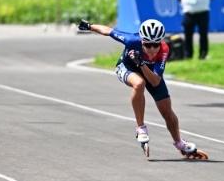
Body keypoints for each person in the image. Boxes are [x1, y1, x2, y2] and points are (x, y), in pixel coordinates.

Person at [77, 18, 207, 159]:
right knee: (139, 84)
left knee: (167, 111)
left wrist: (142, 64)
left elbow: (155, 81)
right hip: (127, 68)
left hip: (150, 73)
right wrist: (89, 26)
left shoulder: (164, 49)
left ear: (161, 42)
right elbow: (108, 31)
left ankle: (179, 143)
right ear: (142, 40)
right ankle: (141, 128)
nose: (152, 49)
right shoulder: (132, 40)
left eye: (155, 44)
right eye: (148, 44)